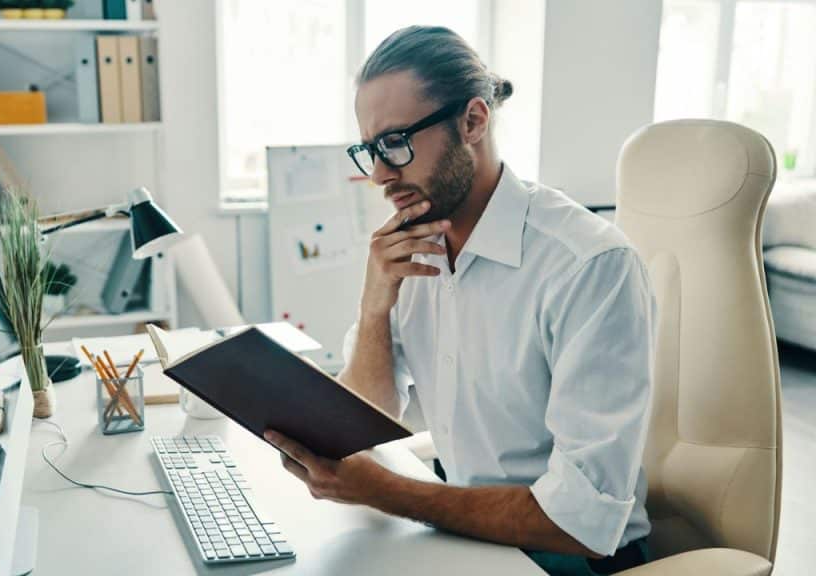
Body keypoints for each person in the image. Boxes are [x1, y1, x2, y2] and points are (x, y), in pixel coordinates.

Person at [263, 26, 655, 576]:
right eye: (369, 150)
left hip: (566, 560)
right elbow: (362, 426)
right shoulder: (410, 249)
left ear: (473, 120)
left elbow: (580, 521)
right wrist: (375, 307)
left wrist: (391, 493)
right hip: (464, 533)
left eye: (396, 143)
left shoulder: (588, 266)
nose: (379, 174)